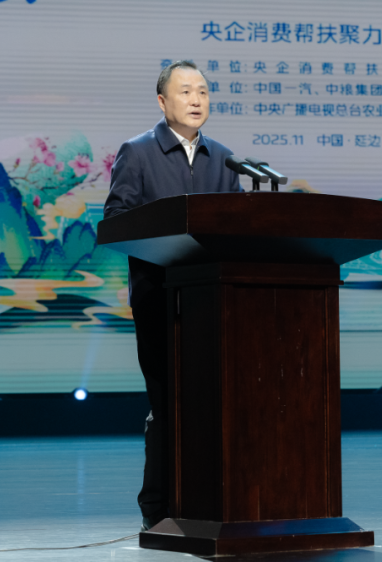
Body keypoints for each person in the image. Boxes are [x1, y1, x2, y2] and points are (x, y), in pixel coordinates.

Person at [103, 60, 243, 531]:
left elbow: (236, 230)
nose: (196, 99)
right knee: (168, 405)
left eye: (203, 90)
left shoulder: (225, 159)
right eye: (185, 91)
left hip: (212, 305)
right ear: (163, 101)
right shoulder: (138, 152)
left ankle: (208, 501)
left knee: (211, 404)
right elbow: (117, 221)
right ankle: (158, 509)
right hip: (159, 299)